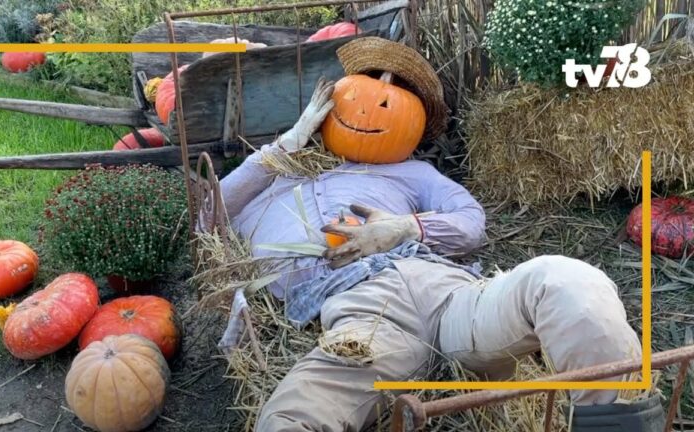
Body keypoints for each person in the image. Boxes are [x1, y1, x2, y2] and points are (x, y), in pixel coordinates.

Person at [218, 37, 662, 432]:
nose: (371, 107)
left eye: (394, 99)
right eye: (358, 92)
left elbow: (471, 221)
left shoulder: (410, 172)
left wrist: (406, 227)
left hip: (447, 291)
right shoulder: (273, 182)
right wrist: (288, 144)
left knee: (568, 282)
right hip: (363, 317)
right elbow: (212, 213)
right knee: (290, 418)